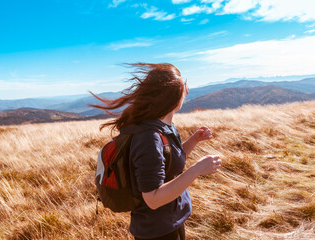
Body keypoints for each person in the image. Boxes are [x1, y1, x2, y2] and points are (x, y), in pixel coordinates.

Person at [91, 63, 222, 240]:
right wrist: (197, 169)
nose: (187, 91)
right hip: (157, 231)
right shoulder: (148, 137)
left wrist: (194, 140)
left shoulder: (163, 127)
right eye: (184, 87)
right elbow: (152, 199)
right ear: (172, 96)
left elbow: (168, 162)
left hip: (171, 221)